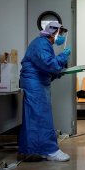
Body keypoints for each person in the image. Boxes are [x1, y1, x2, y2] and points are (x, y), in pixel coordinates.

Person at [18, 21, 71, 162]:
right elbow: (49, 64)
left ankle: (33, 151)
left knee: (34, 118)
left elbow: (46, 68)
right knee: (42, 117)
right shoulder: (41, 43)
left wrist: (58, 72)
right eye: (61, 33)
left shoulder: (44, 44)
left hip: (37, 83)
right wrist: (63, 57)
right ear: (54, 32)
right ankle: (51, 150)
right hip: (35, 84)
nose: (62, 37)